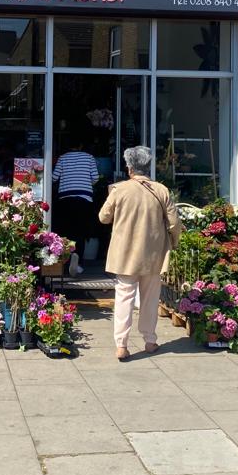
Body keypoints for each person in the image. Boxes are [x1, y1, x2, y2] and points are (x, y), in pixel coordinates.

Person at [99, 146, 181, 361]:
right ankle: (150, 340)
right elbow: (174, 223)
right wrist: (173, 243)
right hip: (153, 253)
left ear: (129, 168)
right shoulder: (161, 190)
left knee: (124, 297)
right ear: (148, 166)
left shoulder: (119, 190)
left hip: (124, 254)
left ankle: (121, 345)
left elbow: (103, 217)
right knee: (150, 299)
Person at [52, 141, 99, 276]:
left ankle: (65, 261)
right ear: (81, 145)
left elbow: (54, 178)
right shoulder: (89, 158)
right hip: (84, 199)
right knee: (80, 232)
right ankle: (77, 263)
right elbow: (95, 178)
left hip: (65, 198)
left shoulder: (62, 158)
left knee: (66, 231)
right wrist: (85, 182)